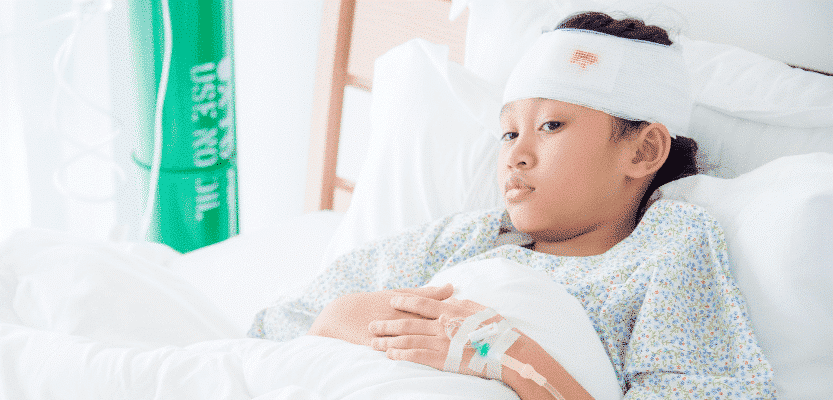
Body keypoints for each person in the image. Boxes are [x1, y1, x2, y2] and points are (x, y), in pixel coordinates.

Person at [250, 12, 776, 399]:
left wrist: (509, 357)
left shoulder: (669, 248)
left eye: (550, 126)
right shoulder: (468, 238)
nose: (515, 156)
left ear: (643, 150)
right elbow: (290, 324)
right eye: (507, 133)